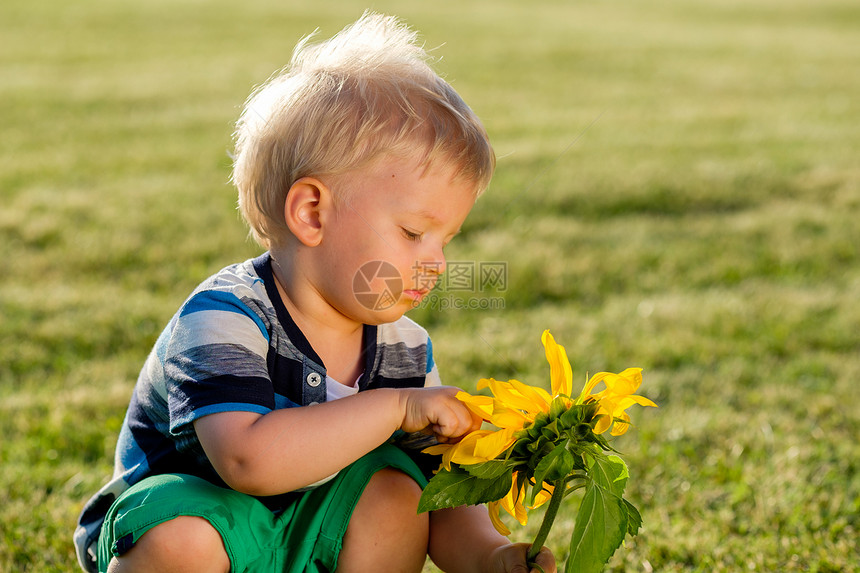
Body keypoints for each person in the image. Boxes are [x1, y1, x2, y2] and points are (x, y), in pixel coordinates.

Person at [74, 12, 557, 573]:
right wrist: (395, 407)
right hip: (205, 522)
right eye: (412, 233)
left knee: (399, 494)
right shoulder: (224, 318)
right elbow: (246, 459)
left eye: (446, 240)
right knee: (181, 534)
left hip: (312, 535)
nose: (438, 263)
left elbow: (439, 496)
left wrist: (491, 556)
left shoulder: (404, 349)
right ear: (311, 212)